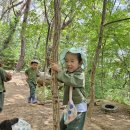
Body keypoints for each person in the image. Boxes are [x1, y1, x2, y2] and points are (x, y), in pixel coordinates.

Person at [50, 47, 87, 130]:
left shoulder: (80, 75)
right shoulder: (68, 73)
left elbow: (70, 80)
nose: (68, 63)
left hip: (78, 109)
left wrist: (59, 70)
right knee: (62, 126)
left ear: (80, 62)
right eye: (66, 61)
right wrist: (53, 70)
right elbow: (61, 77)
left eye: (72, 61)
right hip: (70, 108)